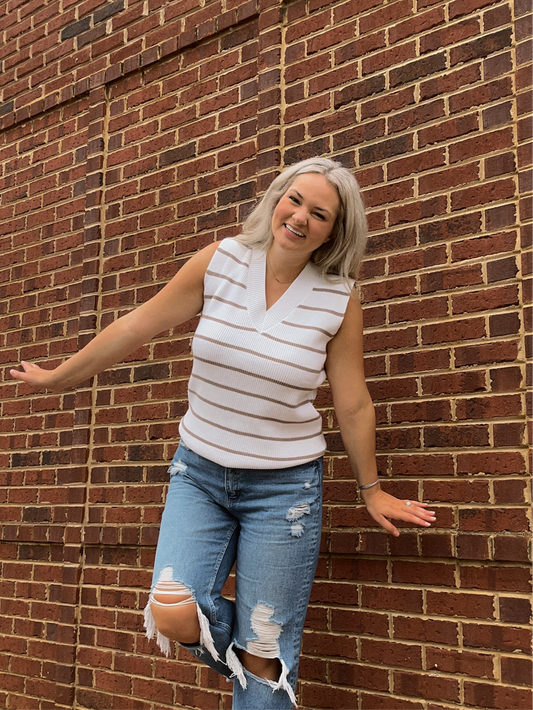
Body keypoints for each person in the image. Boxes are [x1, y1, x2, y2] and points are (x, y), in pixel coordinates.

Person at [10, 158, 436, 709]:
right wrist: (57, 377)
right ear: (276, 199)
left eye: (320, 213)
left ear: (335, 230)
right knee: (172, 608)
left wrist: (371, 488)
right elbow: (137, 325)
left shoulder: (338, 299)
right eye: (294, 200)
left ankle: (262, 661)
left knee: (265, 652)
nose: (300, 217)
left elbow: (352, 402)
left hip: (284, 492)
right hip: (200, 476)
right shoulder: (222, 260)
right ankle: (256, 657)